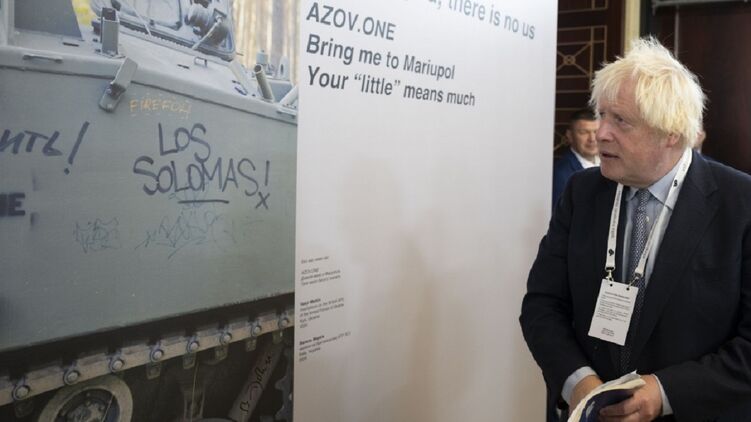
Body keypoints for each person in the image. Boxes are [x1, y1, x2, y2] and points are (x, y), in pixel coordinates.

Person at [520, 37, 751, 422]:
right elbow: (542, 304)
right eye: (602, 115)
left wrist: (664, 392)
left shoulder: (739, 204)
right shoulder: (582, 192)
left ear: (670, 133)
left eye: (620, 121)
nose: (600, 133)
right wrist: (579, 383)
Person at [552, 109, 600, 206]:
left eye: (596, 132)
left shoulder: (610, 166)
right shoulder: (561, 173)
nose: (592, 139)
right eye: (584, 132)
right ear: (570, 136)